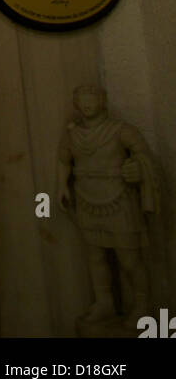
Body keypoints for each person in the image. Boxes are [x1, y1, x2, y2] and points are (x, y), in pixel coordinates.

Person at [57, 84, 158, 328]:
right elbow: (64, 161)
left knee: (128, 258)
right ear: (76, 104)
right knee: (95, 256)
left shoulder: (121, 130)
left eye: (92, 98)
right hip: (86, 197)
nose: (87, 103)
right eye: (82, 99)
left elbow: (144, 156)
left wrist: (137, 168)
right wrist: (61, 186)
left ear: (103, 101)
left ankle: (142, 306)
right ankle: (105, 302)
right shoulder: (72, 135)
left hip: (119, 200)